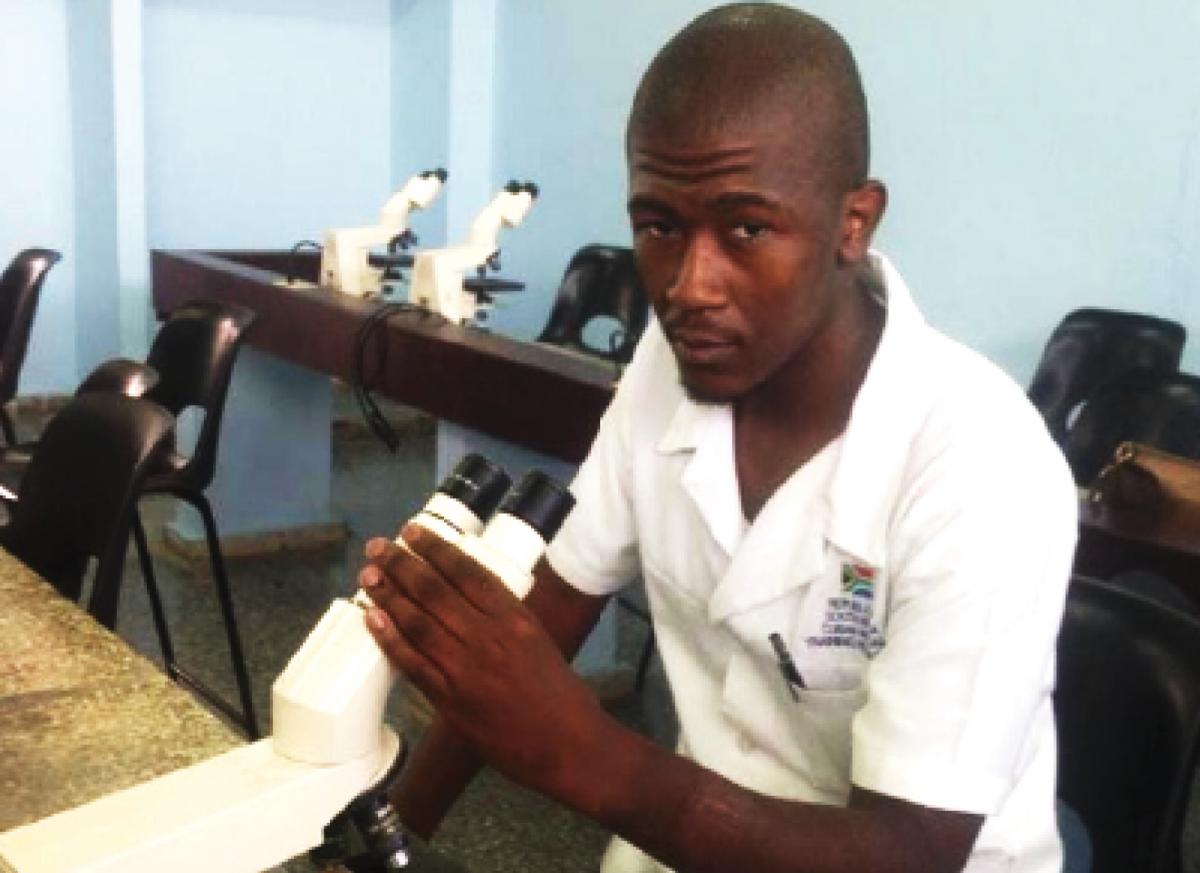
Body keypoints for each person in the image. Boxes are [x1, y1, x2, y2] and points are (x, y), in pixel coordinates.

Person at [357, 4, 1078, 872]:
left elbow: (910, 852)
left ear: (854, 222)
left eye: (746, 228)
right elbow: (555, 604)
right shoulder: (672, 363)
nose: (689, 287)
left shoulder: (981, 464)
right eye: (659, 225)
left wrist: (581, 750)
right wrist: (389, 832)